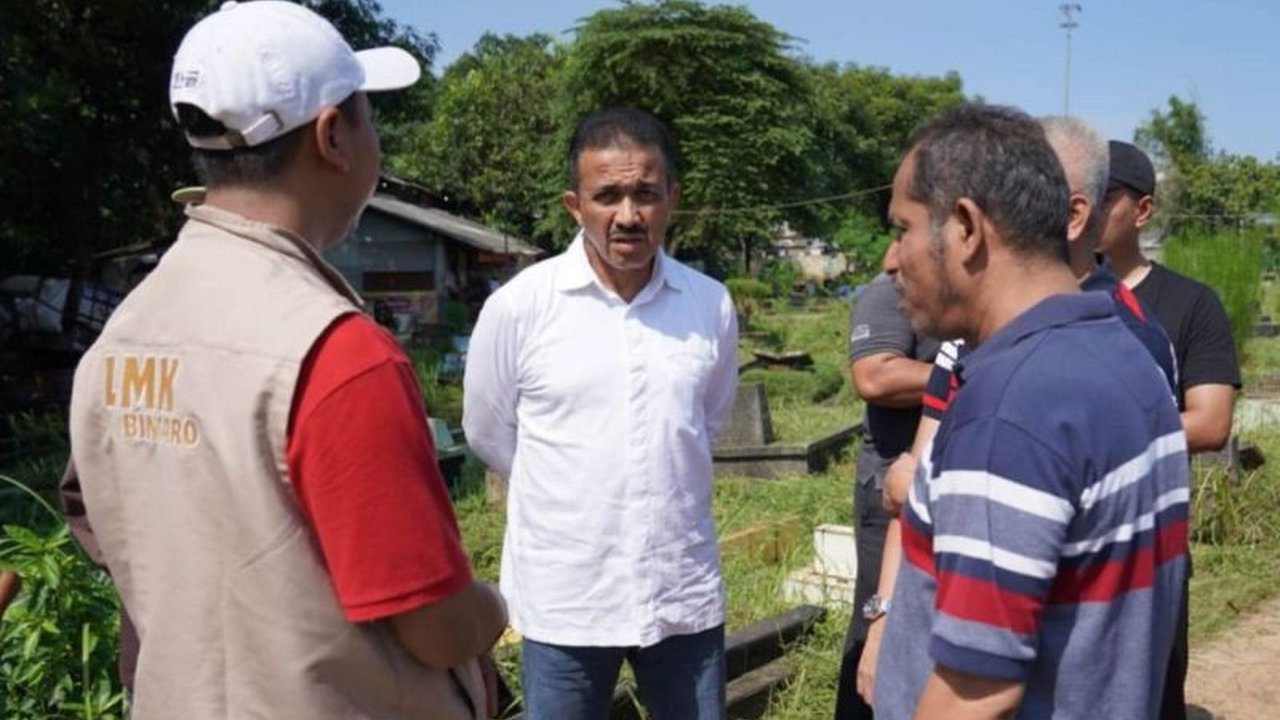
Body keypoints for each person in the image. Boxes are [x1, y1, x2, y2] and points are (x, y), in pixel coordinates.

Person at [66, 3, 506, 718]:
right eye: (369, 116)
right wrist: (493, 606)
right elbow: (433, 626)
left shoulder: (123, 334)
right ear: (333, 136)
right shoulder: (335, 353)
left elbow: (104, 526)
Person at [870, 104, 1189, 719]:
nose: (890, 259)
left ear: (966, 227)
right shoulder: (1129, 356)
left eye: (903, 229)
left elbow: (975, 691)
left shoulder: (1009, 410)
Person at [463, 107, 739, 720]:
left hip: (679, 593)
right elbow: (487, 431)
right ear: (574, 205)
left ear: (672, 199)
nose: (628, 215)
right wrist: (572, 495)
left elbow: (707, 425)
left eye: (646, 194)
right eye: (607, 196)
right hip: (568, 598)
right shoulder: (521, 308)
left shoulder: (709, 305)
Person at [1100, 140, 1243, 720]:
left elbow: (1210, 421)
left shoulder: (1190, 304)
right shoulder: (1042, 298)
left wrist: (1096, 439)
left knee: (1152, 693)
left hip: (1149, 543)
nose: (1082, 208)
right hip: (1060, 542)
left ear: (1143, 210)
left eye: (1105, 196)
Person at [833, 273, 939, 720]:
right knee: (877, 625)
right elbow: (874, 376)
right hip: (889, 487)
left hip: (939, 488)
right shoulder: (891, 289)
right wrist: (963, 371)